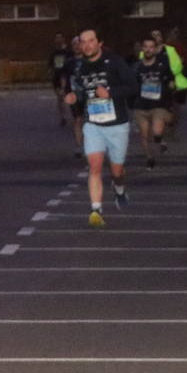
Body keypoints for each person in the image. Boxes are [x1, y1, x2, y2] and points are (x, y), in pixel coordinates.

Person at [64, 28, 137, 228]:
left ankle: (119, 189)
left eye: (91, 41)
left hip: (117, 124)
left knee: (117, 171)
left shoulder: (114, 61)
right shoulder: (79, 67)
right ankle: (96, 209)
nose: (87, 45)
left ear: (99, 43)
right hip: (93, 124)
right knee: (95, 166)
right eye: (83, 42)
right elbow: (79, 91)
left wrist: (111, 92)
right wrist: (73, 97)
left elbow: (133, 86)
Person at [132, 37, 174, 170]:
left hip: (158, 105)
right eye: (146, 46)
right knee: (144, 134)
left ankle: (159, 137)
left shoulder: (162, 64)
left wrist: (171, 85)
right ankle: (149, 158)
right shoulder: (136, 66)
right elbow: (132, 84)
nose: (148, 49)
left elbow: (170, 79)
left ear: (155, 49)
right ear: (142, 48)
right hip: (141, 106)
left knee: (156, 131)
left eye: (151, 47)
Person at [48, 33, 73, 127]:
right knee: (60, 98)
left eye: (60, 38)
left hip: (67, 77)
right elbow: (51, 66)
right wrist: (51, 74)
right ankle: (63, 117)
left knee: (70, 97)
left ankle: (74, 115)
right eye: (56, 38)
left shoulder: (68, 52)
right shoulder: (53, 53)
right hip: (57, 78)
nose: (58, 40)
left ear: (63, 39)